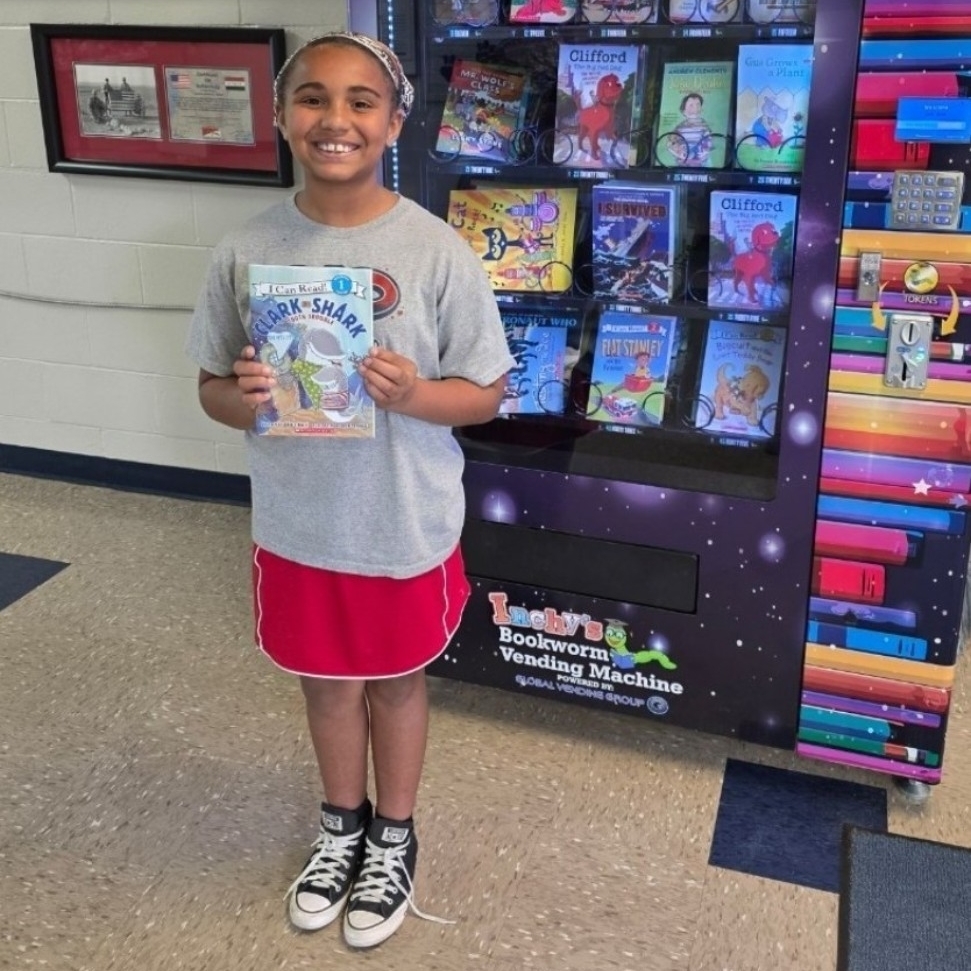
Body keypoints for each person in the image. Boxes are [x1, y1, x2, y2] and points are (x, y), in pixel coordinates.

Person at [185, 32, 514, 949]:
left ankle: (394, 835)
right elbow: (210, 386)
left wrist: (413, 393)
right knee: (327, 685)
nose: (336, 119)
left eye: (361, 101)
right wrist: (242, 400)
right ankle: (342, 826)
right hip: (300, 525)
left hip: (400, 521)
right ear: (285, 117)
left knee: (396, 682)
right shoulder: (246, 249)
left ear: (394, 120)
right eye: (314, 99)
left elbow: (485, 392)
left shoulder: (434, 248)